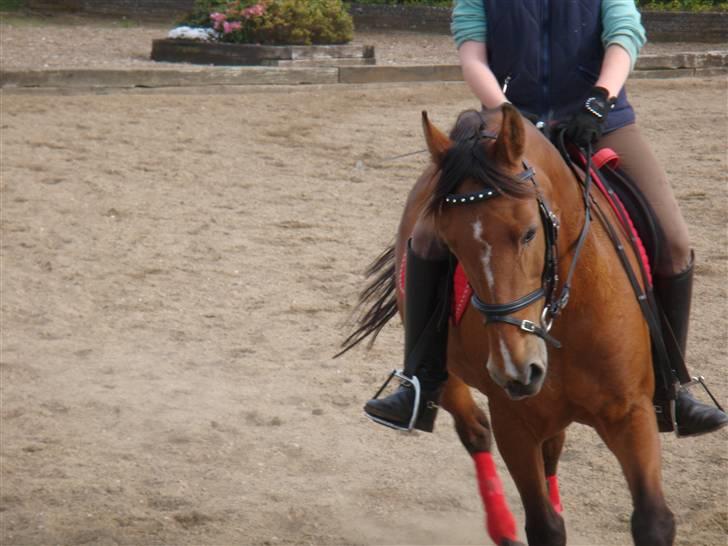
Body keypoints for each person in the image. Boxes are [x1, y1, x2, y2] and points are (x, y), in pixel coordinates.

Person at [364, 0, 728, 437]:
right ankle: (420, 381)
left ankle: (672, 386)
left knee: (672, 241)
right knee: (425, 237)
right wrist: (506, 112)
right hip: (507, 126)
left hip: (602, 118)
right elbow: (472, 55)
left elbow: (624, 34)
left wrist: (600, 100)